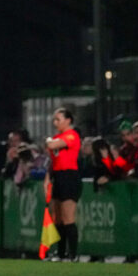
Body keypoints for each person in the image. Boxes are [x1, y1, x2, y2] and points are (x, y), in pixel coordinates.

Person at [44, 107, 82, 262]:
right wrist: (48, 178)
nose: (55, 122)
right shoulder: (57, 137)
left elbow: (51, 146)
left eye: (58, 119)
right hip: (58, 176)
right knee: (57, 218)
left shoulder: (72, 135)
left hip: (69, 177)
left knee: (68, 218)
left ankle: (73, 254)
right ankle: (60, 254)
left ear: (68, 120)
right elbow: (54, 161)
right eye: (54, 119)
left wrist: (48, 141)